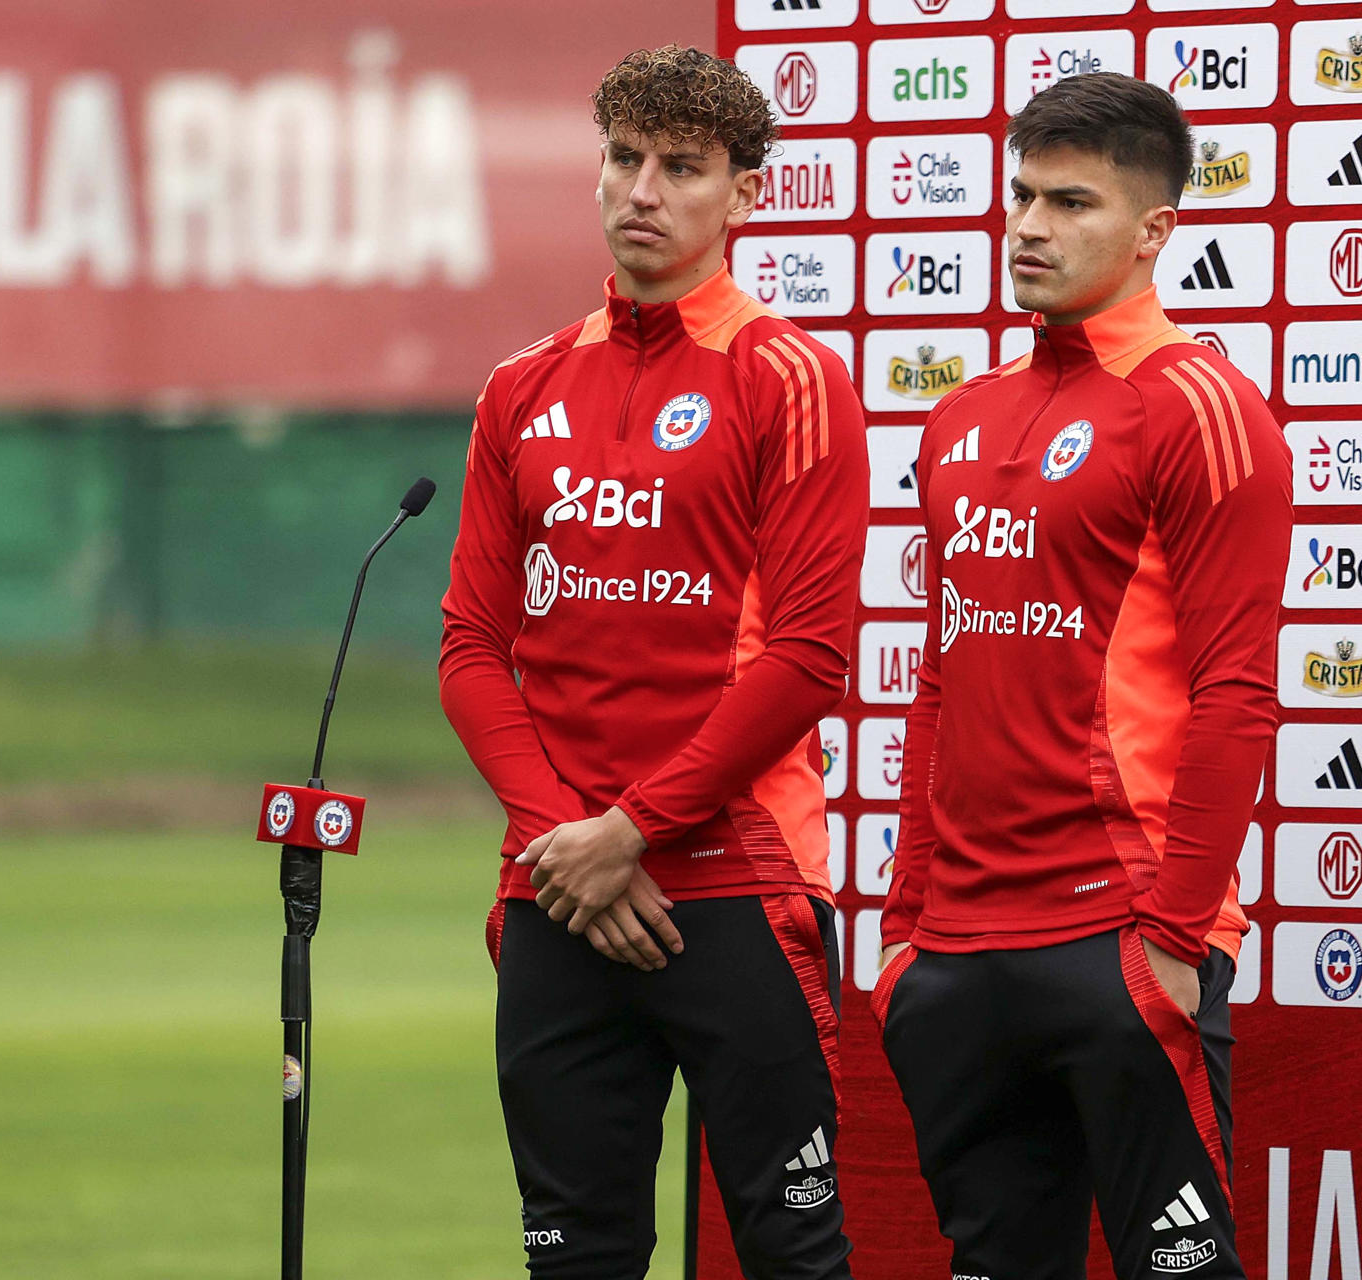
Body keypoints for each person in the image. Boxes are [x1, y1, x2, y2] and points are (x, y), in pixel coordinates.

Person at [438, 45, 867, 1279]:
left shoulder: (793, 378)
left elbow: (807, 657)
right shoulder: (521, 388)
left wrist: (632, 828)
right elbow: (473, 646)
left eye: (682, 167)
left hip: (736, 881)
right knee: (575, 1258)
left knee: (794, 1251)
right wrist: (559, 837)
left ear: (744, 197)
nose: (643, 189)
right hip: (557, 889)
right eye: (625, 158)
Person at [875, 72, 1290, 1280]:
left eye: (1071, 201)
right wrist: (908, 924)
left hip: (1118, 933)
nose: (1029, 226)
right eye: (1019, 195)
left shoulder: (1198, 405)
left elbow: (1236, 692)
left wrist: (1168, 935)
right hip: (956, 947)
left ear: (1156, 228)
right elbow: (941, 681)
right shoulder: (959, 417)